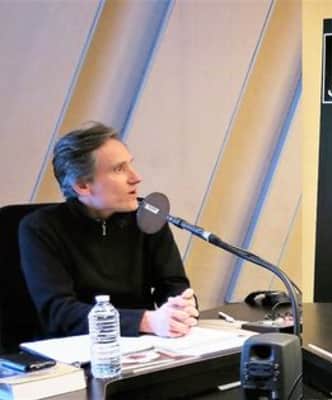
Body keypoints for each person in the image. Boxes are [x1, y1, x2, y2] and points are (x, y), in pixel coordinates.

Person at [20, 122, 199, 339]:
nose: (136, 177)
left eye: (130, 164)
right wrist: (146, 321)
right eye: (119, 169)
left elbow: (173, 284)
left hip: (146, 342)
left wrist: (180, 308)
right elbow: (60, 312)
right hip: (76, 346)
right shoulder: (41, 228)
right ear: (82, 186)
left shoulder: (147, 215)